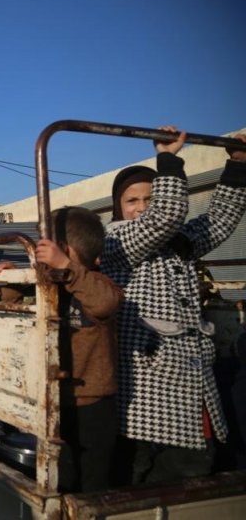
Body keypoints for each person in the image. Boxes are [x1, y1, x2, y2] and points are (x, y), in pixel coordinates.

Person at [101, 127, 246, 484]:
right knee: (135, 472)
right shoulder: (117, 239)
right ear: (118, 208)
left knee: (193, 466)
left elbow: (220, 221)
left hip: (190, 377)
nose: (142, 208)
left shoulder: (176, 242)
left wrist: (238, 166)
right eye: (132, 201)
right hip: (146, 386)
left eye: (149, 198)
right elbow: (165, 216)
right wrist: (168, 159)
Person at [35, 207, 123, 492]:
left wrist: (68, 269)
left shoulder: (95, 283)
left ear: (63, 249)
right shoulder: (49, 285)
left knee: (92, 483)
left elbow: (105, 303)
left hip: (92, 405)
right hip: (55, 400)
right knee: (62, 477)